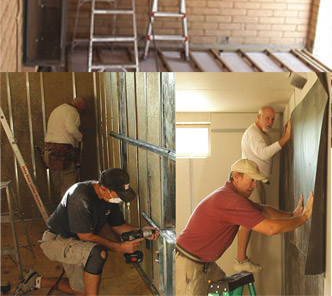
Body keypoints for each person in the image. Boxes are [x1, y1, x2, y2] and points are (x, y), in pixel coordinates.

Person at [176, 158, 313, 296]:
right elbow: (270, 229)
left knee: (223, 280)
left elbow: (263, 210)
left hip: (204, 262)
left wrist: (291, 215)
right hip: (189, 263)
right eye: (251, 180)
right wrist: (303, 217)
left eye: (256, 182)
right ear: (236, 176)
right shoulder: (230, 200)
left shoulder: (232, 196)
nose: (254, 186)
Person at [14, 168, 159, 296]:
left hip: (78, 242)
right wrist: (120, 247)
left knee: (81, 290)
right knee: (98, 253)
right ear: (104, 189)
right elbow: (86, 236)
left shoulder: (110, 198)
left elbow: (118, 226)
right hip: (57, 241)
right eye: (118, 194)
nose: (119, 198)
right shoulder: (81, 197)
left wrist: (141, 231)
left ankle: (37, 280)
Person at [235, 106, 292, 273]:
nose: (270, 122)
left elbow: (264, 154)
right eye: (267, 118)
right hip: (253, 181)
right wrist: (285, 138)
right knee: (247, 218)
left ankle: (241, 259)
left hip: (257, 180)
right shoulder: (253, 134)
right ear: (258, 116)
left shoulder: (260, 134)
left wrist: (280, 139)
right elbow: (265, 153)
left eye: (273, 119)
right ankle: (240, 260)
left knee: (252, 216)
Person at [45, 96, 88, 199]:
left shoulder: (59, 109)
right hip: (63, 152)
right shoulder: (73, 111)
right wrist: (80, 137)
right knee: (69, 183)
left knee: (58, 183)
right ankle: (67, 211)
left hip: (50, 152)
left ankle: (60, 209)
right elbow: (71, 128)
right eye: (84, 110)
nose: (83, 113)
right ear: (80, 106)